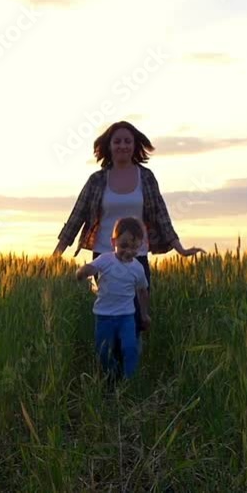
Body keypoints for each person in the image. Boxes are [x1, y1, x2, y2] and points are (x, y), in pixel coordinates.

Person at [52, 120, 204, 350]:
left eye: (127, 141)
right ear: (109, 146)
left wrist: (180, 248)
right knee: (111, 311)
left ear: (135, 146)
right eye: (117, 141)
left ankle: (129, 368)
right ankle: (111, 370)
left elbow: (161, 214)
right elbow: (77, 216)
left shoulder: (146, 177)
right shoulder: (97, 180)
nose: (122, 145)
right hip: (104, 257)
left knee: (135, 315)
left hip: (137, 255)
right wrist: (57, 254)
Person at [75, 217, 150, 380]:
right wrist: (83, 271)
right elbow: (92, 268)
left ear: (141, 246)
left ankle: (129, 380)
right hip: (104, 317)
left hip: (127, 317)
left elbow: (143, 292)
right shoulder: (106, 259)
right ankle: (112, 375)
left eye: (134, 247)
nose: (128, 251)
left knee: (130, 347)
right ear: (113, 241)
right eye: (123, 246)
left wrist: (144, 314)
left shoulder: (138, 268)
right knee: (103, 351)